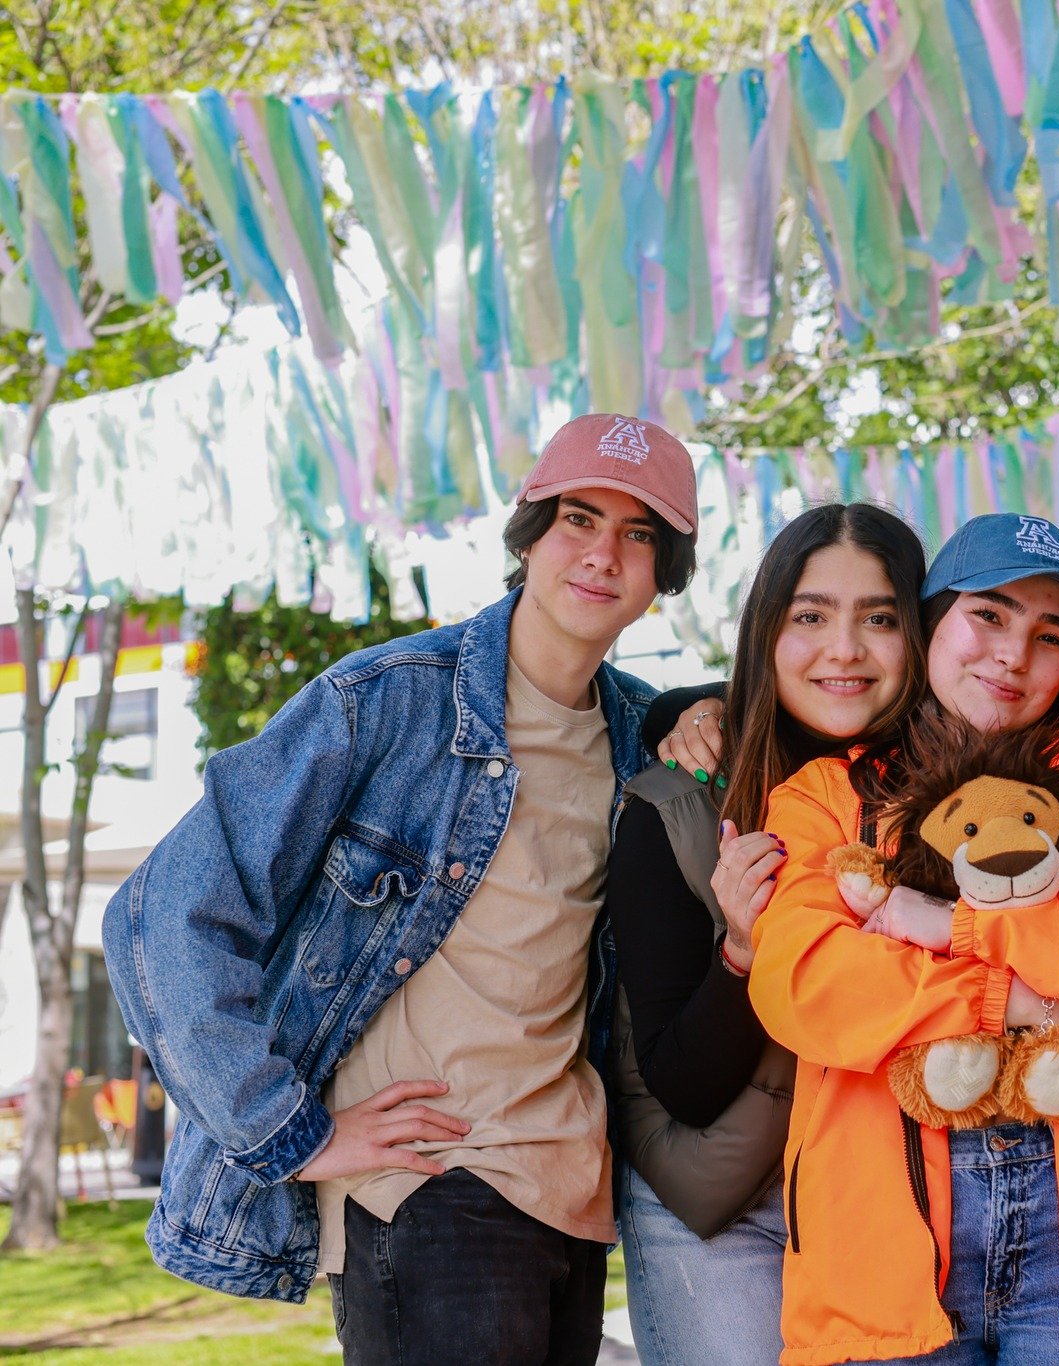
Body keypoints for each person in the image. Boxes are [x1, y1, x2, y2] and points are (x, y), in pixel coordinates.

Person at [101, 413, 698, 1363]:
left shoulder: (642, 736)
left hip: (572, 1191)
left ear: (664, 576)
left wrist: (703, 717)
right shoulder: (383, 702)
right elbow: (163, 912)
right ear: (531, 533)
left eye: (639, 536)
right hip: (429, 1186)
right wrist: (288, 1133)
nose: (602, 555)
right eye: (580, 519)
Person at [747, 512, 1059, 1364]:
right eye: (991, 616)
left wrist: (939, 925)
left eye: (1052, 635)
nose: (1013, 656)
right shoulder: (828, 796)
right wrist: (1027, 996)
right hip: (886, 1253)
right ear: (932, 622)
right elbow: (806, 978)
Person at [608, 504, 929, 1364]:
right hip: (727, 1202)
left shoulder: (951, 793)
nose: (845, 650)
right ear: (765, 632)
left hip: (898, 1185)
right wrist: (744, 951)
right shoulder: (679, 801)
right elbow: (682, 1084)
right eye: (810, 616)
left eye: (882, 618)